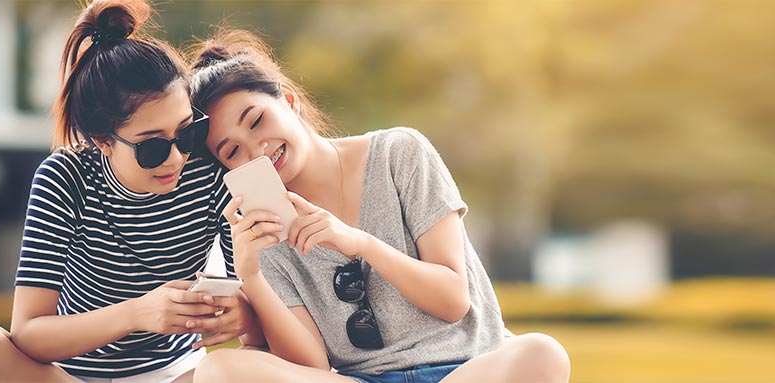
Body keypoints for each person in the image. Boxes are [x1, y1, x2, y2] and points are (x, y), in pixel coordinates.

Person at [183, 28, 571, 383]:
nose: (258, 150)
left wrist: (360, 243)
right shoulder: (264, 230)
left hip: (471, 369)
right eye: (232, 151)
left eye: (257, 121)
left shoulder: (399, 153)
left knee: (542, 353)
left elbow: (453, 301)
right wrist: (252, 276)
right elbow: (311, 368)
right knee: (219, 370)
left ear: (288, 100)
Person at [0, 1, 255, 382]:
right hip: (66, 375)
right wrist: (137, 313)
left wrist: (240, 310)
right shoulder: (65, 177)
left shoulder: (210, 171)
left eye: (187, 131)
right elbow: (29, 333)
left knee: (236, 372)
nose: (176, 157)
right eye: (152, 147)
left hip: (174, 375)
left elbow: (254, 300)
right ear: (102, 141)